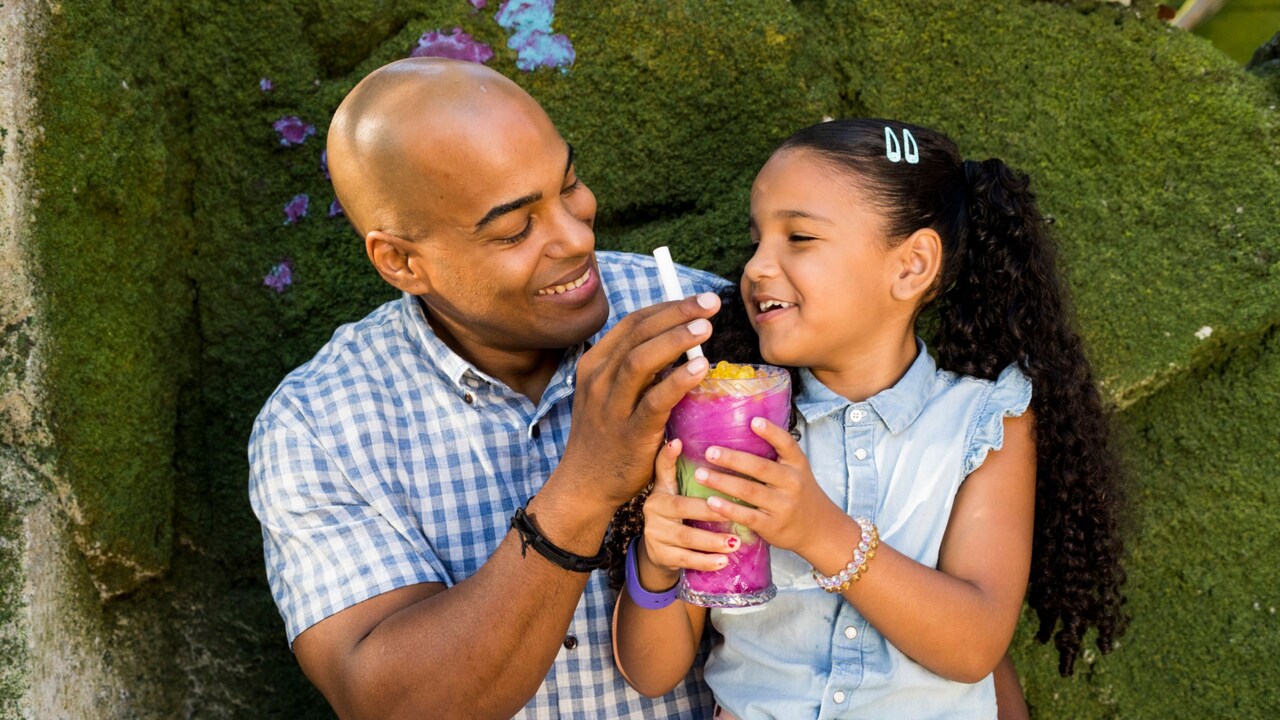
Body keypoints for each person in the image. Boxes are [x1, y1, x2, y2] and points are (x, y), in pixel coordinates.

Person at [248, 57, 727, 718]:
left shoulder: (704, 324)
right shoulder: (321, 425)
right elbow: (390, 705)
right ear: (401, 261)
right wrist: (587, 483)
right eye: (514, 229)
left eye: (570, 184)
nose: (576, 235)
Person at [613, 118, 1128, 718]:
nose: (756, 267)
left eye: (799, 238)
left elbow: (974, 646)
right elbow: (653, 672)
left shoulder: (985, 422)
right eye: (756, 242)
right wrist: (656, 563)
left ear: (911, 266)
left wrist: (818, 532)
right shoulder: (724, 426)